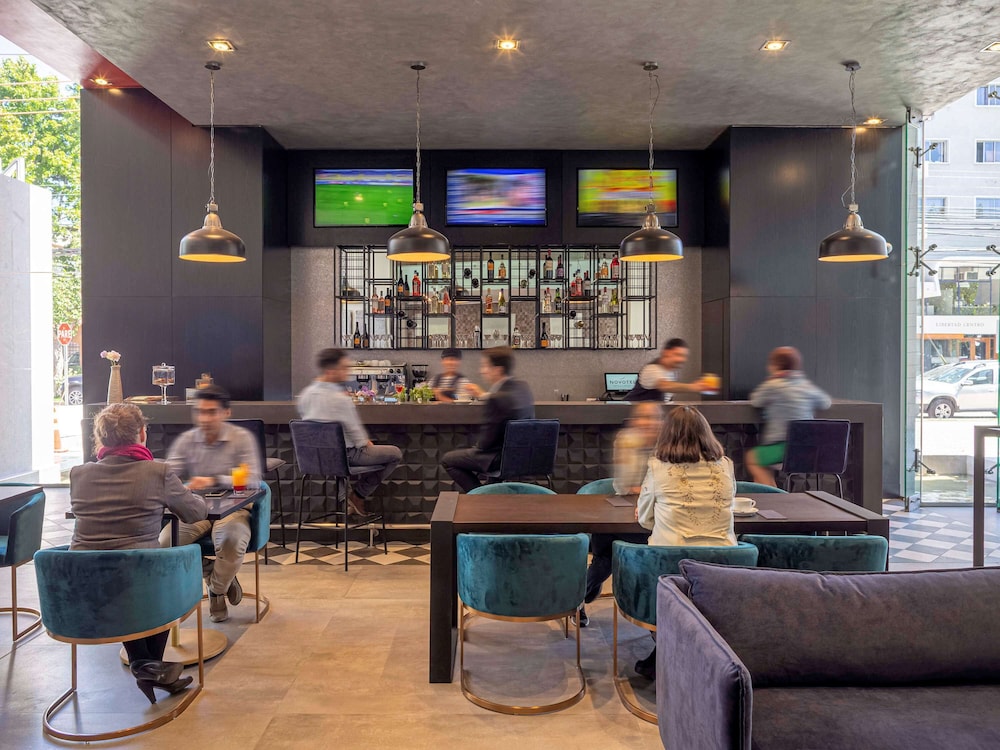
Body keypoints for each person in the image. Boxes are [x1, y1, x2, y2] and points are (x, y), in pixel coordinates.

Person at [70, 403, 207, 703]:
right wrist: (191, 493)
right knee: (160, 577)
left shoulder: (78, 474)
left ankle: (147, 667)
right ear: (142, 434)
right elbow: (196, 513)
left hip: (78, 590)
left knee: (123, 575)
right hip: (139, 588)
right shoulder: (158, 472)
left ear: (100, 438)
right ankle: (146, 666)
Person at [633, 405, 737, 679]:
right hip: (725, 566)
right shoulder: (726, 465)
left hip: (672, 566)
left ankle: (667, 657)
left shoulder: (657, 467)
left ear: (666, 435)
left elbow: (644, 519)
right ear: (706, 433)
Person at [161, 386, 261, 624]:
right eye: (200, 412)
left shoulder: (241, 438)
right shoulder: (187, 440)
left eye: (211, 412)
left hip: (234, 508)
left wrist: (214, 480)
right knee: (164, 545)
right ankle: (220, 577)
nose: (205, 418)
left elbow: (253, 479)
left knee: (231, 542)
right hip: (195, 509)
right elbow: (168, 474)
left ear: (226, 412)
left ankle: (216, 590)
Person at [577, 401, 663, 627]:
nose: (648, 423)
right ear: (635, 421)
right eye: (643, 418)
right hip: (625, 510)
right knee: (606, 550)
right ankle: (579, 597)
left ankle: (578, 597)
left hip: (657, 517)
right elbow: (627, 484)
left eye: (653, 418)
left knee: (607, 553)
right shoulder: (627, 441)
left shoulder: (668, 444)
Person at [297, 347, 402, 513]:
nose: (347, 371)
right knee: (395, 453)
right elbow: (359, 439)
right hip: (345, 457)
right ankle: (358, 495)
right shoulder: (341, 399)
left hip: (314, 459)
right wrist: (369, 444)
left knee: (338, 451)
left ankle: (344, 498)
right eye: (344, 368)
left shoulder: (305, 395)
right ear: (331, 371)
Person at [440, 346, 535, 492]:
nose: (481, 371)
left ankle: (481, 496)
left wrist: (477, 447)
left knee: (448, 460)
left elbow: (486, 443)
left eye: (485, 366)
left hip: (499, 459)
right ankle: (490, 493)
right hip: (524, 456)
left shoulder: (496, 400)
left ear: (497, 369)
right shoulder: (523, 388)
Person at [746, 346, 832, 487]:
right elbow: (825, 402)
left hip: (783, 448)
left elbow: (756, 400)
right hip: (808, 449)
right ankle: (770, 495)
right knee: (763, 469)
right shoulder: (805, 385)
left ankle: (775, 495)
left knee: (752, 458)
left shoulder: (773, 385)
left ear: (775, 366)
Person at [624, 337, 710, 402]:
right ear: (666, 353)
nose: (682, 359)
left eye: (684, 356)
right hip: (629, 415)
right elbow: (665, 386)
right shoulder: (652, 369)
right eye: (678, 355)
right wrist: (693, 387)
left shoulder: (672, 372)